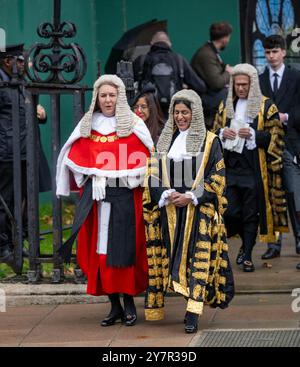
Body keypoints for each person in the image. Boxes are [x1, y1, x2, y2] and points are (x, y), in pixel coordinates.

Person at [56, 74, 153, 327]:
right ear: (96, 99)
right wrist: (93, 174)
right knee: (101, 252)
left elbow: (147, 159)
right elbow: (73, 156)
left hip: (125, 198)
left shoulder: (133, 123)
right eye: (103, 95)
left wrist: (124, 177)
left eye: (112, 95)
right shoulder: (88, 124)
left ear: (119, 97)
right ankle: (114, 306)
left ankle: (130, 303)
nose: (108, 100)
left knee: (125, 251)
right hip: (98, 203)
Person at [143, 89, 234, 334]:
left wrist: (192, 195)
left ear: (195, 113)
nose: (181, 117)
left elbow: (217, 176)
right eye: (177, 112)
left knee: (197, 260)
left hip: (198, 212)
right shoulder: (164, 140)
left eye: (185, 112)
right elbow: (151, 174)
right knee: (174, 260)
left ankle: (193, 312)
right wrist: (165, 193)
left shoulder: (210, 140)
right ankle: (187, 303)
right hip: (170, 210)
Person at [213, 63, 288, 272]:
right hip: (231, 168)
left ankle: (246, 254)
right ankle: (244, 246)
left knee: (250, 214)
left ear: (252, 84)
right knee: (231, 212)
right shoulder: (225, 105)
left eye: (245, 84)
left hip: (254, 169)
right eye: (237, 84)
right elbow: (214, 130)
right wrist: (222, 133)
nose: (241, 88)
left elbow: (277, 137)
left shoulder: (266, 106)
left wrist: (255, 135)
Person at [0, 44, 51, 266]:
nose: (24, 65)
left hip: (24, 149)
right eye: (20, 61)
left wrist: (39, 112)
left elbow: (23, 112)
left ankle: (17, 242)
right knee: (6, 201)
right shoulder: (3, 83)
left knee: (22, 199)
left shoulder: (20, 82)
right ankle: (4, 248)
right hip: (7, 152)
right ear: (7, 61)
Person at [259, 35, 300, 259]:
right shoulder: (261, 80)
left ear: (283, 52)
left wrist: (286, 117)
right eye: (267, 52)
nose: (271, 56)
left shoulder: (296, 77)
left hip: (291, 143)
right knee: (271, 194)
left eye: (275, 51)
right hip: (268, 144)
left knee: (294, 194)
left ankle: (299, 241)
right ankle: (274, 245)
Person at [134, 31, 206, 119]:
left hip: (148, 114)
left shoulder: (141, 60)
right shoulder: (179, 60)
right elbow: (200, 87)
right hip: (173, 114)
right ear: (169, 44)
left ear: (151, 44)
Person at [191, 22, 233, 127]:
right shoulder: (206, 54)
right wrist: (228, 72)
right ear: (224, 38)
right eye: (228, 37)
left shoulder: (210, 52)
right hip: (206, 105)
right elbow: (217, 83)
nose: (228, 41)